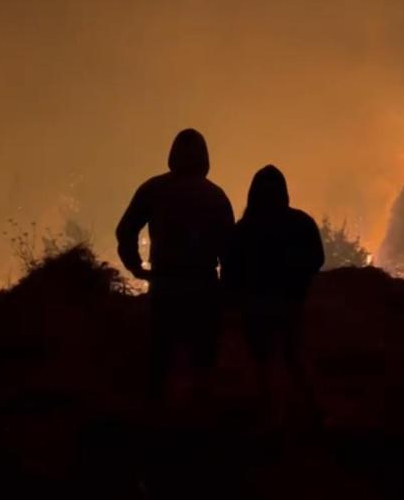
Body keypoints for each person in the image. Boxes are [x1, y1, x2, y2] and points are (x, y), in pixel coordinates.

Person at [116, 129, 234, 400]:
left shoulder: (154, 189)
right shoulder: (216, 196)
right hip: (203, 285)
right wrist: (227, 289)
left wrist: (135, 266)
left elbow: (125, 230)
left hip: (164, 283)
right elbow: (229, 249)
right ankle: (200, 421)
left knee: (160, 355)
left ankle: (155, 417)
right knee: (202, 359)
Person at [224, 165, 324, 415]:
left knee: (263, 363)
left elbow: (230, 268)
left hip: (255, 307)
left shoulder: (243, 230)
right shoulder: (302, 223)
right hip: (291, 303)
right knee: (295, 358)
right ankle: (312, 413)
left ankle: (271, 415)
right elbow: (317, 258)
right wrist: (300, 283)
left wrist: (234, 301)